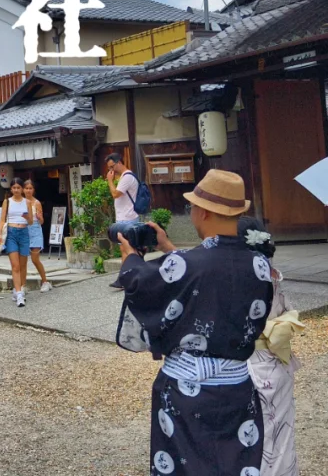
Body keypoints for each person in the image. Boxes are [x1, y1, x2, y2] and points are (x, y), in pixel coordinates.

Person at [114, 170, 273, 476]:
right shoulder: (260, 265)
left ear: (202, 212)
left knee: (186, 466)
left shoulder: (187, 264)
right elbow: (209, 276)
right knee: (235, 463)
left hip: (186, 391)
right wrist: (169, 248)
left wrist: (131, 259)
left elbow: (143, 286)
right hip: (237, 389)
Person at [241, 216, 303, 476]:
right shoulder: (271, 271)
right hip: (277, 359)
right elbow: (286, 309)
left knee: (259, 435)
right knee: (282, 432)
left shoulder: (245, 275)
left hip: (254, 362)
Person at [0, 176, 32, 308]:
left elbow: (31, 222)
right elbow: (2, 219)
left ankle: (20, 288)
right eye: (14, 188)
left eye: (18, 187)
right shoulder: (7, 201)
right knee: (15, 266)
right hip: (11, 232)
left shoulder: (27, 202)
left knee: (23, 265)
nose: (16, 190)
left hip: (24, 233)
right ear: (11, 189)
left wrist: (28, 217)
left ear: (22, 189)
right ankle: (19, 294)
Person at [22, 178, 53, 292]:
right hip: (24, 231)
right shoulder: (21, 202)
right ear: (23, 190)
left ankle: (45, 281)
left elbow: (42, 221)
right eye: (26, 188)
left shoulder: (37, 203)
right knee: (23, 260)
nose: (28, 190)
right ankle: (23, 285)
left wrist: (40, 218)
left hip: (35, 230)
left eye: (30, 188)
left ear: (33, 190)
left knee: (35, 259)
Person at [104, 153, 143, 241]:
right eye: (109, 168)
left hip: (127, 218)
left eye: (112, 167)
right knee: (125, 247)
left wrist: (110, 180)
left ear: (119, 163)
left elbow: (115, 194)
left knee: (128, 247)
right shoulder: (125, 177)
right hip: (125, 218)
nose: (111, 170)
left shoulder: (127, 177)